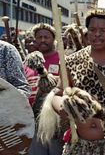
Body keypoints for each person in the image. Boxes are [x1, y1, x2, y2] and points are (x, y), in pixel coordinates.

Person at [38, 8, 105, 155]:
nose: (97, 34)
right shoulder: (72, 61)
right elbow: (58, 92)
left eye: (103, 30)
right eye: (92, 30)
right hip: (81, 145)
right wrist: (61, 105)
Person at [28, 23, 64, 155]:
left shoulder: (63, 60)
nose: (42, 40)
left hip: (57, 121)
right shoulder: (28, 62)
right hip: (34, 121)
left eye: (46, 37)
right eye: (39, 37)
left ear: (53, 39)